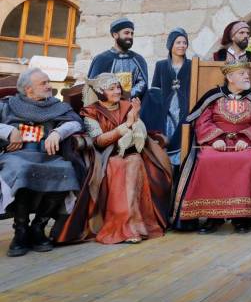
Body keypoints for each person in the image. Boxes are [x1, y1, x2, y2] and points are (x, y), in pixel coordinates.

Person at [56, 73, 172, 245]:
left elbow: (138, 131)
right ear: (101, 92)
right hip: (103, 154)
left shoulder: (127, 105)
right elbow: (99, 141)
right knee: (118, 164)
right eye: (112, 89)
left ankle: (137, 224)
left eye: (118, 87)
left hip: (132, 150)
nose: (118, 91)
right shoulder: (91, 112)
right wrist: (126, 125)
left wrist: (136, 119)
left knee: (136, 162)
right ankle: (122, 226)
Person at [172, 61, 251, 233]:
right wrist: (214, 139)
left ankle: (241, 218)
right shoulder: (214, 96)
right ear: (229, 77)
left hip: (245, 145)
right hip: (215, 143)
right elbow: (201, 121)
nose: (246, 76)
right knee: (206, 159)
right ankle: (213, 217)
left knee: (249, 159)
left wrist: (247, 140)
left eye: (247, 73)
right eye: (242, 73)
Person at [0, 68, 83, 257]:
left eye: (48, 82)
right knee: (22, 170)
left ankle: (38, 227)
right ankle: (21, 230)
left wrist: (57, 132)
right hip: (16, 156)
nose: (49, 87)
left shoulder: (57, 106)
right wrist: (8, 131)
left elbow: (76, 122)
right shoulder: (8, 105)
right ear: (29, 89)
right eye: (44, 83)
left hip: (46, 156)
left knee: (65, 169)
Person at [142, 27, 191, 176]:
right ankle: (167, 173)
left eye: (184, 42)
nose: (182, 45)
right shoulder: (161, 65)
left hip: (185, 108)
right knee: (167, 138)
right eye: (178, 42)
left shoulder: (191, 65)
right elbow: (155, 89)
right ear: (171, 45)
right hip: (166, 110)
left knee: (182, 138)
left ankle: (180, 176)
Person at [87, 17, 149, 99]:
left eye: (132, 33)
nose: (130, 36)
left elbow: (142, 83)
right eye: (126, 33)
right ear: (115, 35)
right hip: (107, 109)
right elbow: (94, 87)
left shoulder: (139, 59)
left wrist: (129, 95)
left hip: (133, 108)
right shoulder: (101, 59)